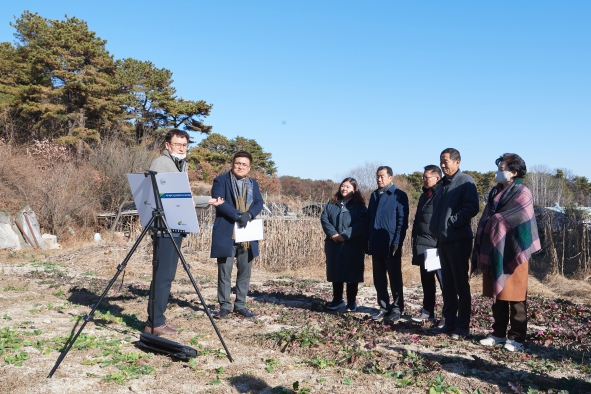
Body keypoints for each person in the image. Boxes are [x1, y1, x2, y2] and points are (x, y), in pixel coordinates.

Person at [474, 153, 541, 352]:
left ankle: (517, 338)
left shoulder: (523, 191)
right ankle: (498, 334)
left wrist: (496, 221)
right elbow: (489, 215)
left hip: (514, 248)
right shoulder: (496, 190)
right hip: (496, 249)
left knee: (516, 296)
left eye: (502, 168)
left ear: (513, 172)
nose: (498, 171)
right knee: (499, 295)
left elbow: (521, 215)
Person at [145, 129, 191, 336]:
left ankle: (157, 319)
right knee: (162, 274)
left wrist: (203, 201)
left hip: (176, 225)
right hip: (164, 226)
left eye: (184, 145)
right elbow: (158, 195)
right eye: (177, 144)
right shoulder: (160, 164)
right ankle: (155, 321)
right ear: (167, 145)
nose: (182, 148)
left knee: (168, 274)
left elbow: (182, 196)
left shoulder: (181, 165)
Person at [430, 148, 479, 338]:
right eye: (441, 161)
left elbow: (472, 207)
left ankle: (462, 325)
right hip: (442, 240)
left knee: (460, 284)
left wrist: (453, 222)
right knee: (447, 285)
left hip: (458, 239)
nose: (443, 165)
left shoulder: (465, 181)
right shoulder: (442, 184)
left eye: (446, 161)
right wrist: (437, 228)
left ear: (457, 162)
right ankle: (449, 322)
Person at [209, 151, 264, 319]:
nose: (241, 167)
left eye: (244, 164)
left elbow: (259, 202)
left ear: (249, 167)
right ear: (232, 164)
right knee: (224, 271)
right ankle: (224, 305)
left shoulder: (253, 184)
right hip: (227, 232)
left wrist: (250, 214)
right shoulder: (221, 180)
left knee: (245, 271)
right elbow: (219, 201)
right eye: (238, 163)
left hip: (247, 233)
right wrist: (239, 216)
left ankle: (240, 305)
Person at [367, 166, 409, 321]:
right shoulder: (374, 195)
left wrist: (397, 242)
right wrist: (368, 240)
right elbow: (369, 220)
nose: (379, 179)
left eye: (382, 176)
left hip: (391, 243)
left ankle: (397, 308)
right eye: (377, 176)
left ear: (390, 177)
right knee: (379, 278)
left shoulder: (399, 195)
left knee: (395, 278)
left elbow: (402, 222)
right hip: (376, 242)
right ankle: (384, 307)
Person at [320, 178, 368, 312]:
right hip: (333, 243)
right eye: (342, 186)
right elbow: (324, 218)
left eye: (347, 187)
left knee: (352, 273)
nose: (344, 189)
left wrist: (345, 235)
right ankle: (337, 299)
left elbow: (362, 223)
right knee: (336, 272)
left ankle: (351, 301)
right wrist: (333, 234)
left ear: (354, 189)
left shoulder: (359, 206)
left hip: (352, 244)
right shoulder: (332, 203)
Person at [411, 165, 444, 327]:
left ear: (437, 178)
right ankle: (428, 312)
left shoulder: (441, 193)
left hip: (434, 246)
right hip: (422, 245)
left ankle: (448, 315)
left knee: (443, 281)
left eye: (427, 177)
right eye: (423, 177)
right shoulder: (424, 195)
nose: (423, 179)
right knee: (427, 281)